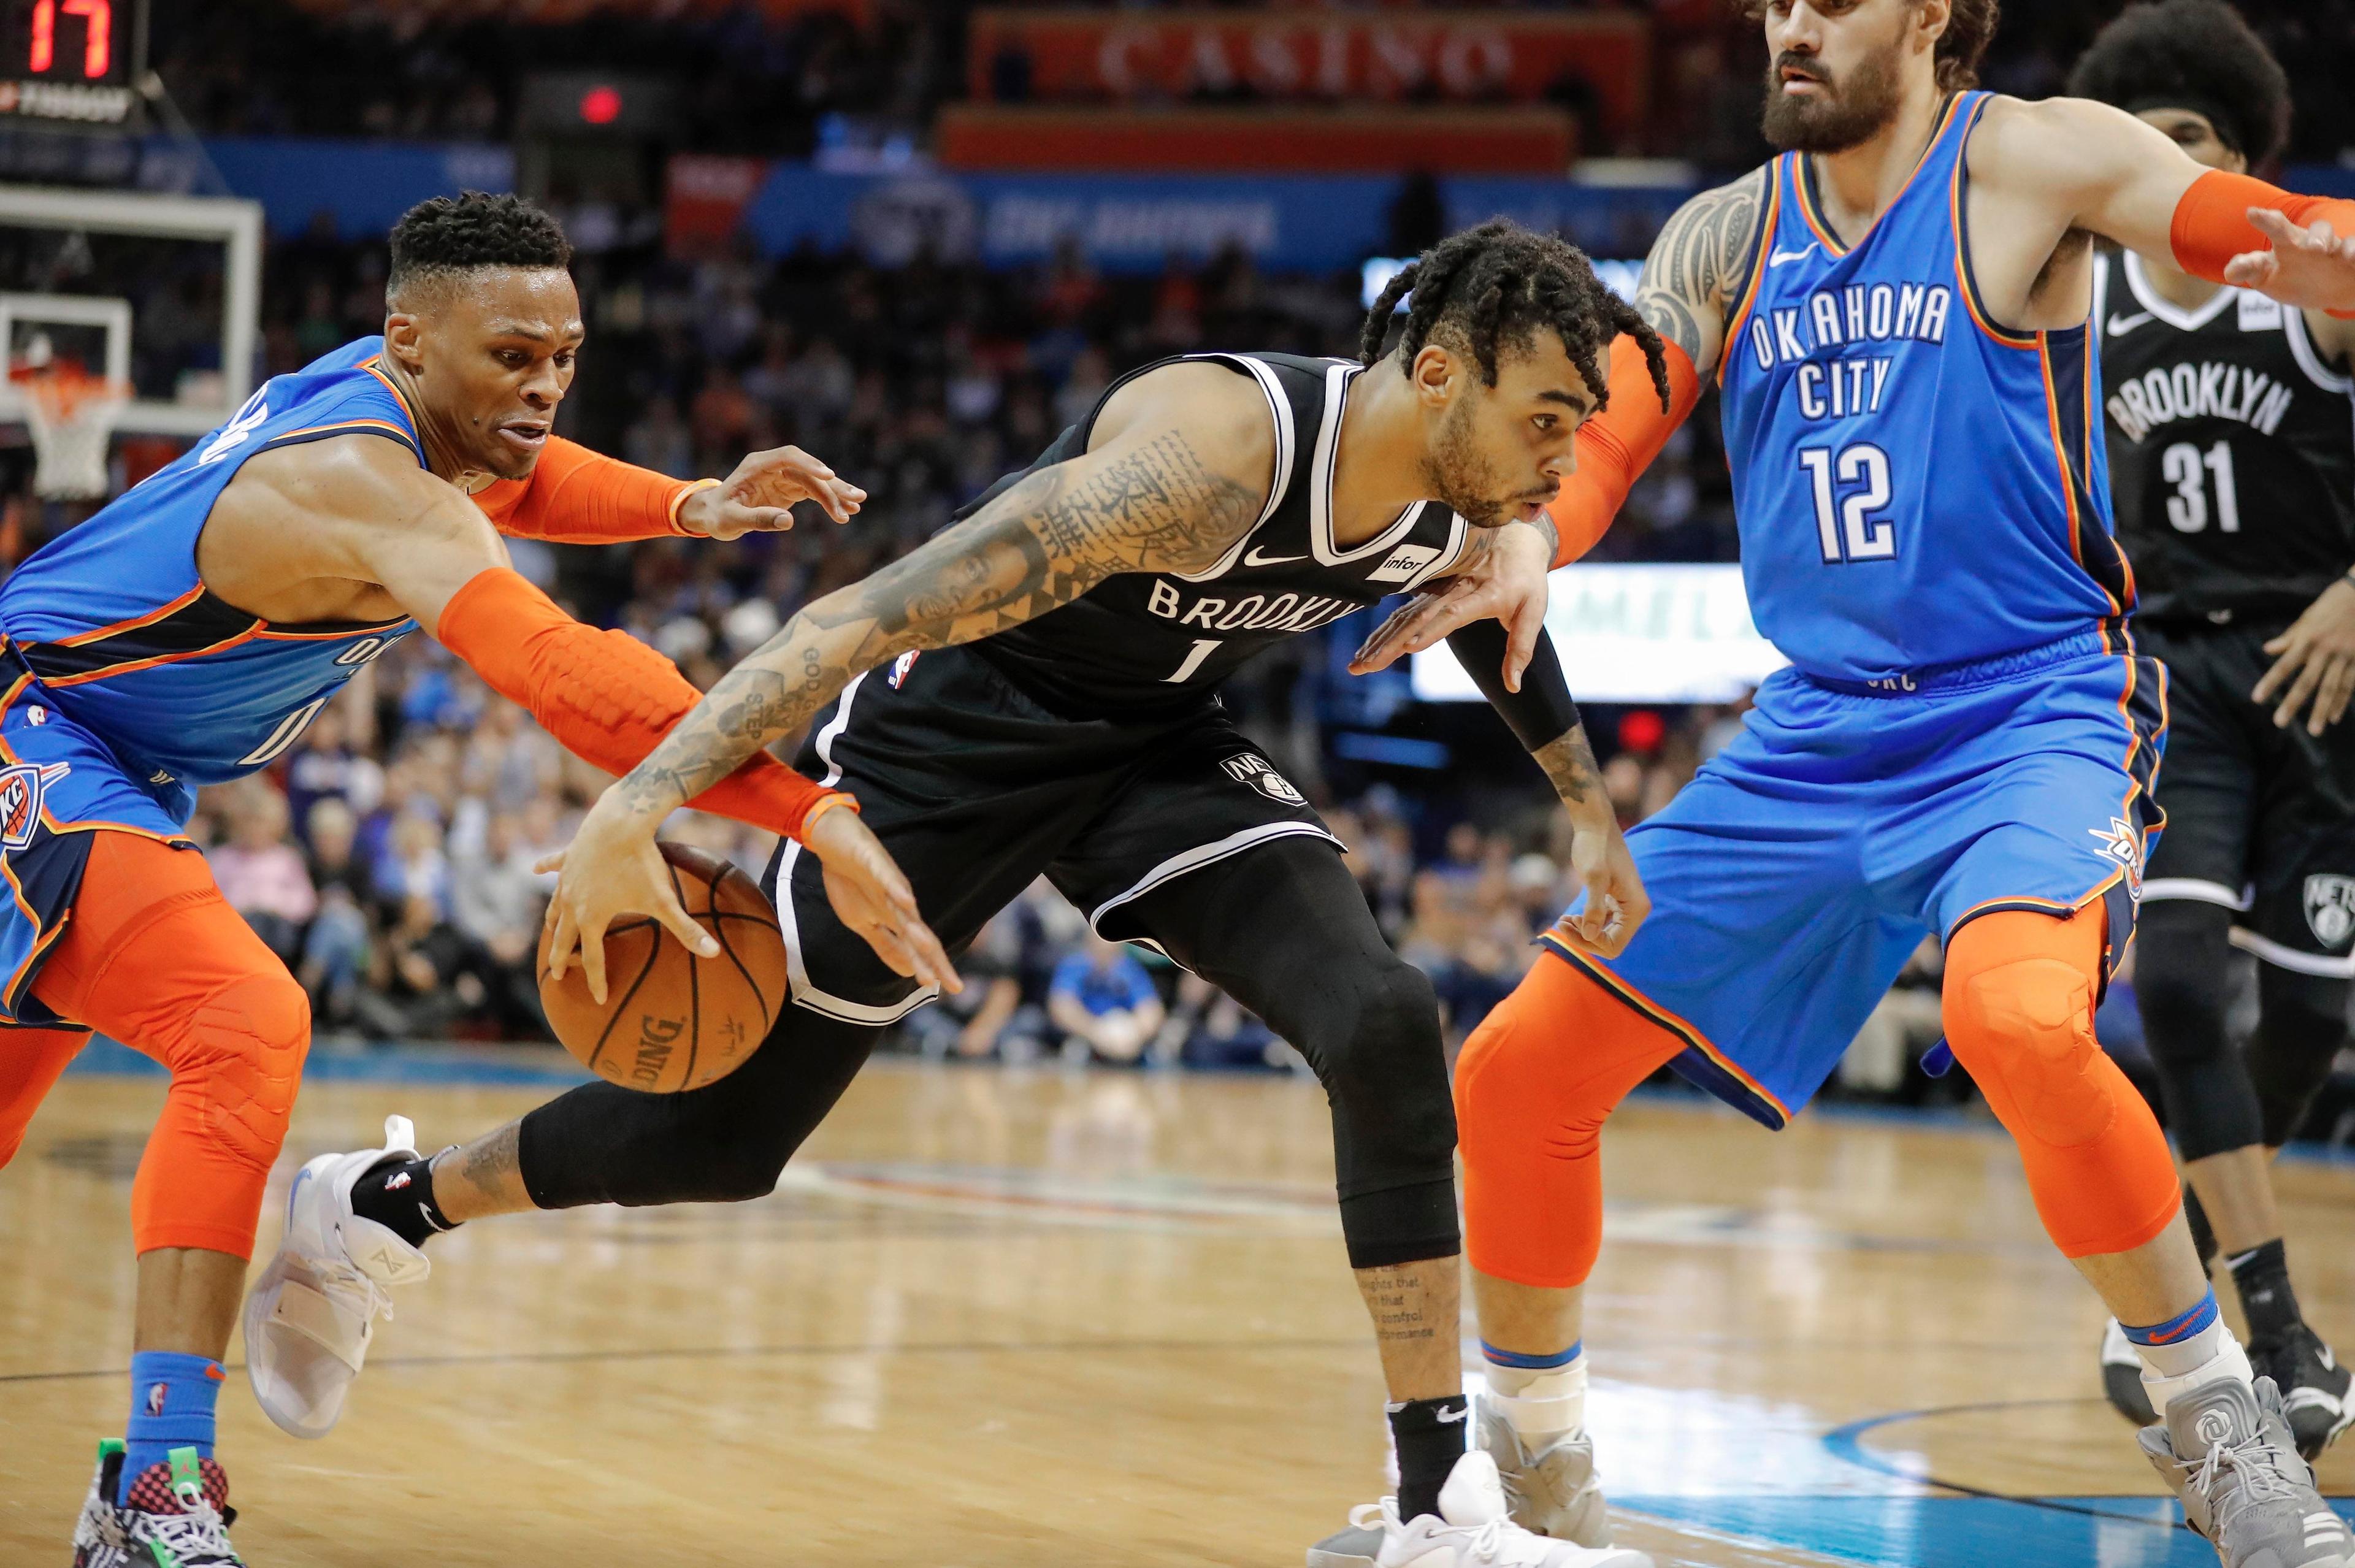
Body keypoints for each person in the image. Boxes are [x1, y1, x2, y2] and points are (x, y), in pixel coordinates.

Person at [277, 217, 1663, 1568]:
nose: (1563, 460)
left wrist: (1587, 813)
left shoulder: (1459, 486)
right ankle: (386, 1203)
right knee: (720, 1141)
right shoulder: (1203, 463)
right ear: (1437, 377)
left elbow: (1498, 618)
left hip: (1155, 751)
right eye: (1547, 419)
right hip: (956, 740)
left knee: (1380, 1017)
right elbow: (856, 615)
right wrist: (640, 799)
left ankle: (1434, 1511)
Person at [1351, 3, 2355, 1565]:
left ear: (1936, 14)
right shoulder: (1722, 234)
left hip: (2027, 708)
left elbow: (2272, 233)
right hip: (1814, 736)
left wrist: (2316, 246)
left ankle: (2217, 1417)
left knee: (2012, 1017)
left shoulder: (2027, 159)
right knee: (1509, 1076)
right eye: (1774, 3)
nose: (1791, 24)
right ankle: (1538, 1468)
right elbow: (1617, 421)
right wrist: (1536, 536)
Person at [0, 191, 943, 1568]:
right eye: (515, 357)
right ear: (411, 341)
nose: (547, 385)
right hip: (39, 727)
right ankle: (152, 1493)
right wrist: (807, 814)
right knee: (243, 1026)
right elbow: (565, 674)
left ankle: (146, 1491)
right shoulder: (361, 485)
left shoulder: (413, 407)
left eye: (564, 355)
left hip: (113, 762)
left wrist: (690, 503)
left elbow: (533, 474)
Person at [2067, 0, 2355, 1459]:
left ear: (2237, 163)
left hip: (2322, 674)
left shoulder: (2305, 281)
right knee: (2176, 986)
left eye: (2184, 147)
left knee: (2308, 1012)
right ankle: (2277, 1324)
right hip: (2169, 674)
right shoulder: (2080, 305)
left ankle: (2159, 1278)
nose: (2156, 177)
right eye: (2136, 149)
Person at [1047, 932, 1166, 1064]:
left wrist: (1134, 1033)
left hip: (1127, 1042)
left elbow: (1151, 1009)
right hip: (1086, 1039)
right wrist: (1096, 1032)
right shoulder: (1074, 966)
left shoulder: (1130, 969)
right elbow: (1062, 1006)